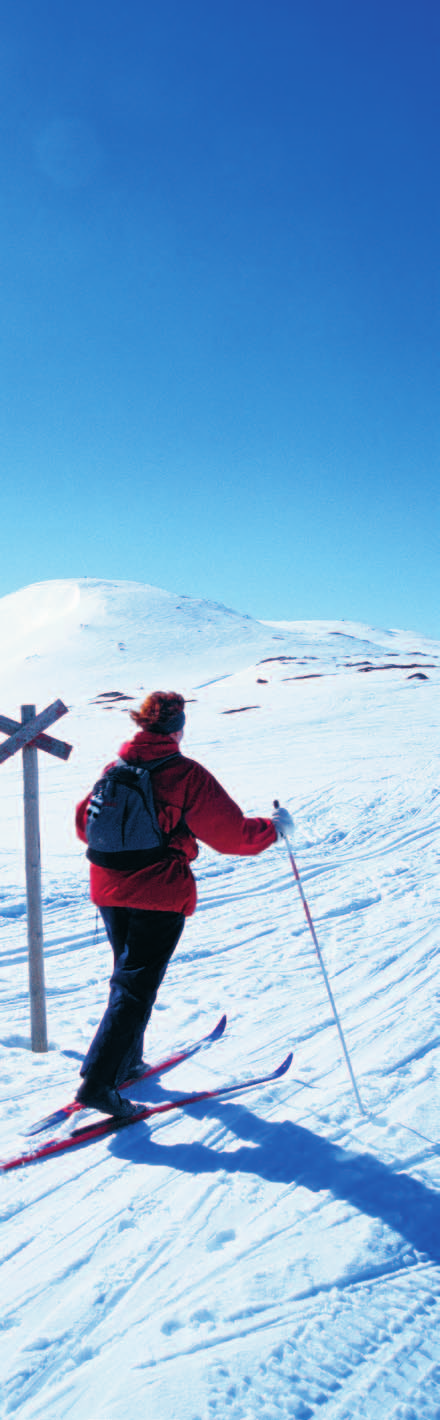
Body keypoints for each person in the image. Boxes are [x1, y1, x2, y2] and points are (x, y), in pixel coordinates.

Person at [75, 690, 292, 1118]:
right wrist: (274, 828)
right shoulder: (184, 773)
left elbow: (86, 826)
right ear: (177, 729)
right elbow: (233, 837)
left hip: (107, 887)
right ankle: (98, 1084)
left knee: (126, 976)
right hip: (157, 892)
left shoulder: (114, 768)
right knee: (135, 987)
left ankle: (126, 1060)